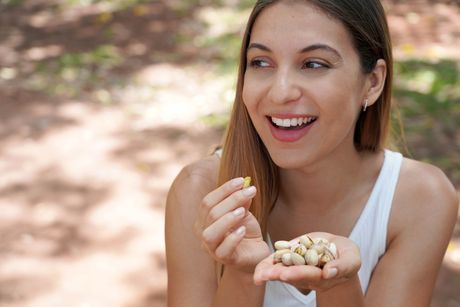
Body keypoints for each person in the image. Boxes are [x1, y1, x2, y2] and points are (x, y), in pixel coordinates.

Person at [165, 0, 459, 306]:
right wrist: (242, 272)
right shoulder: (200, 191)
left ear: (372, 82)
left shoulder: (421, 199)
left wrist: (336, 286)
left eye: (314, 64)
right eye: (261, 62)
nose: (280, 92)